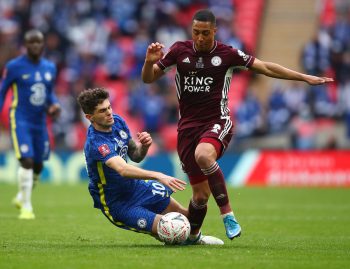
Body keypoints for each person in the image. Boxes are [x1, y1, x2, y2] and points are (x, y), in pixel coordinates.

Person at [141, 9, 334, 241]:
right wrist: (148, 62)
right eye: (196, 32)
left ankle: (228, 215)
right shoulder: (179, 51)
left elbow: (265, 67)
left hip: (217, 122)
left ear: (215, 31)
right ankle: (192, 237)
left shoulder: (227, 54)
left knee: (204, 155)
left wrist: (304, 77)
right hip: (187, 129)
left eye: (205, 33)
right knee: (200, 197)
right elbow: (148, 78)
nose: (200, 38)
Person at [77, 88, 223, 245]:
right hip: (118, 203)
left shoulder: (118, 122)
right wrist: (158, 175)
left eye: (109, 107)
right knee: (171, 228)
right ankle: (186, 240)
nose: (109, 113)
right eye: (102, 111)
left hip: (137, 188)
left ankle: (196, 238)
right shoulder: (96, 143)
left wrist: (144, 146)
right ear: (90, 117)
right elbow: (123, 169)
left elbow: (135, 155)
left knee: (186, 219)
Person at [0, 29, 61, 220]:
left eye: (38, 42)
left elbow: (49, 92)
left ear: (43, 45)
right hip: (21, 119)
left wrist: (54, 104)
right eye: (31, 42)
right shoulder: (14, 66)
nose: (35, 45)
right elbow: (2, 91)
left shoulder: (50, 67)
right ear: (25, 45)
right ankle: (26, 206)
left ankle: (21, 195)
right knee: (25, 160)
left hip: (40, 121)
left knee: (38, 165)